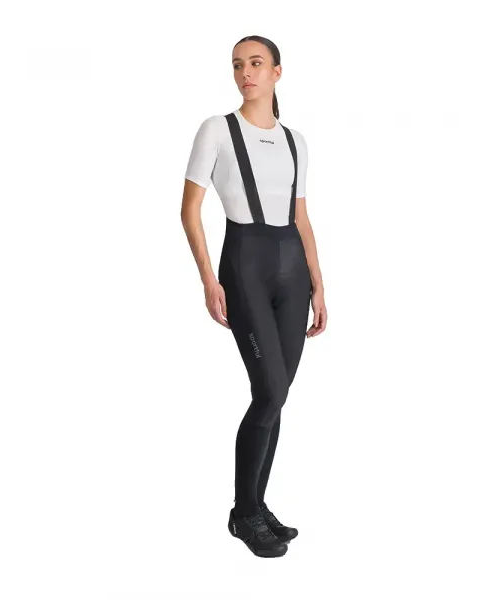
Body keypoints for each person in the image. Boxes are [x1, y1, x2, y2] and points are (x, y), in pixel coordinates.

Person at [181, 35, 327, 558]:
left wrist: (319, 283)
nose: (246, 72)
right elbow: (189, 210)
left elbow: (301, 216)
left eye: (257, 63)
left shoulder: (295, 141)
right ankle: (243, 514)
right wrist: (208, 278)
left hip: (293, 273)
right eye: (238, 64)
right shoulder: (217, 130)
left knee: (277, 394)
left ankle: (257, 505)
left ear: (277, 72)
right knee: (269, 391)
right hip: (244, 268)